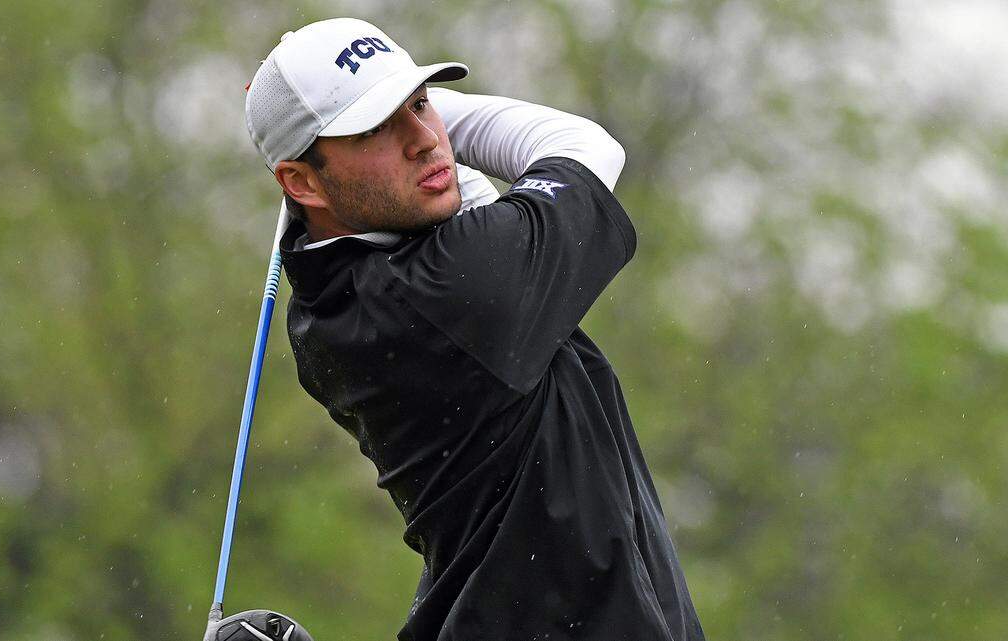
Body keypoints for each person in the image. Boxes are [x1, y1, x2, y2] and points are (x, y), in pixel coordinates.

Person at [243, 17, 706, 641]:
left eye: (421, 105)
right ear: (299, 182)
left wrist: (349, 126)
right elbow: (584, 147)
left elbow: (444, 195)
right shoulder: (449, 289)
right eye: (376, 128)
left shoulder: (329, 301)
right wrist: (422, 114)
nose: (426, 141)